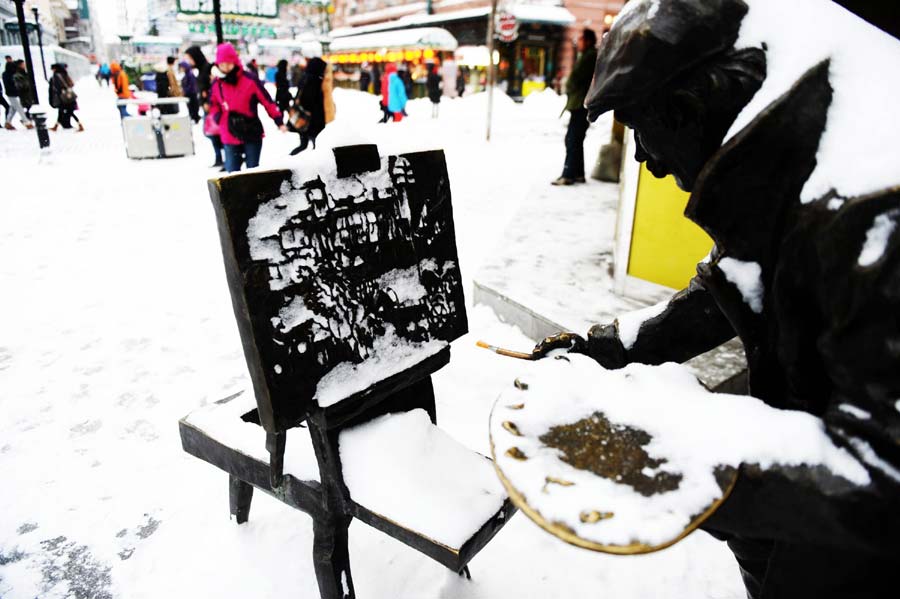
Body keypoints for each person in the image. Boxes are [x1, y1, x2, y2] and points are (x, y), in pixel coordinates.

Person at [534, 1, 900, 597]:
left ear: (686, 109)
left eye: (640, 132)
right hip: (804, 545)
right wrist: (610, 349)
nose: (646, 162)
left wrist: (679, 463)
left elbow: (883, 470)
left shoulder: (871, 204)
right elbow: (735, 280)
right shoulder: (799, 146)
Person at [207, 43, 285, 173]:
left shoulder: (249, 79)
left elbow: (267, 101)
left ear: (235, 62)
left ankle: (253, 193)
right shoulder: (217, 83)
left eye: (229, 63)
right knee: (232, 174)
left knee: (253, 173)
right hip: (228, 132)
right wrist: (218, 117)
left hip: (251, 130)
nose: (225, 67)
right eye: (222, 64)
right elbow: (213, 104)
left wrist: (278, 120)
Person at [551, 28, 597, 186]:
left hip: (580, 104)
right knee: (575, 140)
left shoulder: (589, 56)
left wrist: (569, 85)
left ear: (589, 40)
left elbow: (574, 79)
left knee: (572, 140)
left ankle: (569, 174)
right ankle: (577, 173)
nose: (579, 42)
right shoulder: (586, 55)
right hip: (580, 103)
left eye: (582, 39)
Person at [288, 56, 334, 156]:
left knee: (304, 145)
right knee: (317, 145)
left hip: (305, 118)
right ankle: (313, 166)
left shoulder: (305, 76)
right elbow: (310, 99)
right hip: (313, 120)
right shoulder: (315, 80)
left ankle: (289, 160)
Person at [185, 46, 223, 168]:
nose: (188, 62)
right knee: (211, 132)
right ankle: (221, 157)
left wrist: (207, 99)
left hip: (212, 106)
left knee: (214, 133)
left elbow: (214, 86)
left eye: (189, 58)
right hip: (207, 106)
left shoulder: (208, 68)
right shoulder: (200, 70)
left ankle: (227, 156)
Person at [48, 63, 83, 132]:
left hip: (63, 97)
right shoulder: (64, 74)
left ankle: (80, 125)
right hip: (68, 96)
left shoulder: (56, 76)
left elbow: (57, 87)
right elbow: (71, 84)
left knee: (67, 111)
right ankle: (56, 126)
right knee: (62, 112)